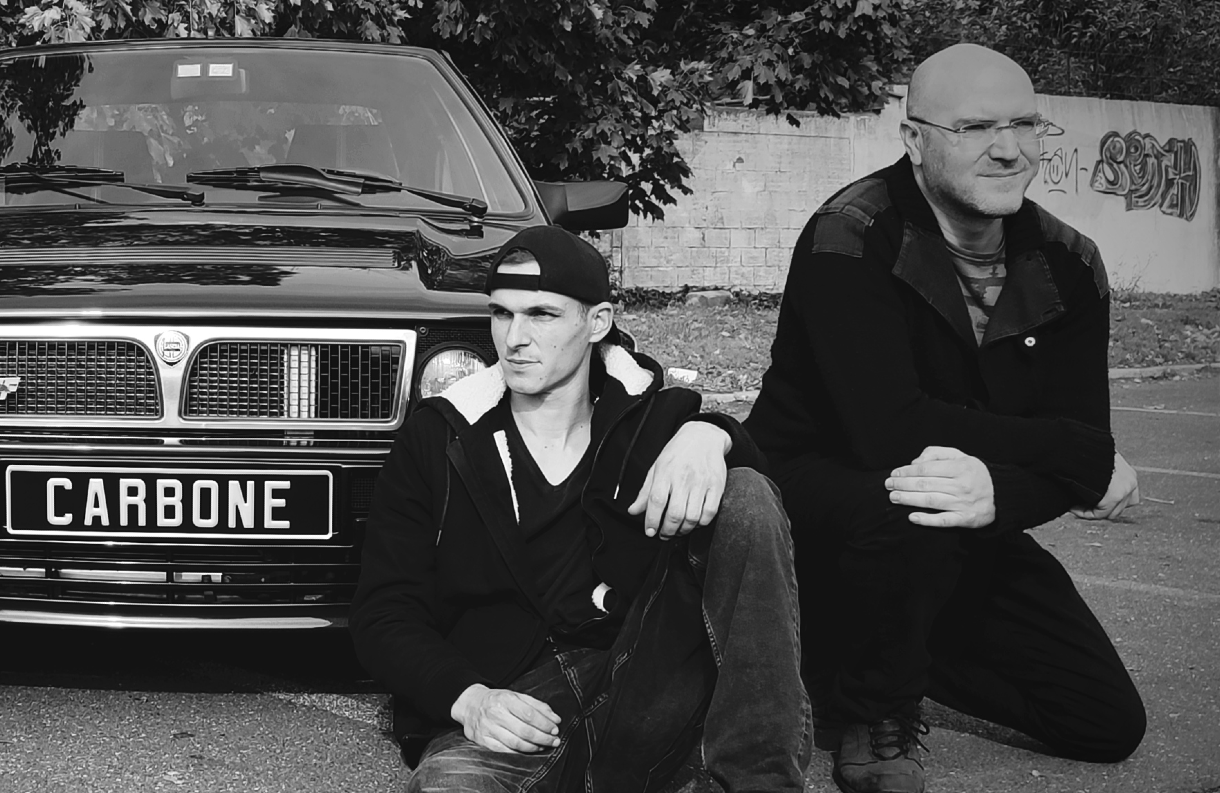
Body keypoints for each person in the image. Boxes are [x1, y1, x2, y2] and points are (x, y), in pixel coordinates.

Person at [749, 43, 1147, 793]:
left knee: (1103, 721)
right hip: (819, 497)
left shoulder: (1070, 263)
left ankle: (858, 660)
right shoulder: (851, 234)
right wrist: (1073, 454)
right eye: (973, 128)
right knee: (919, 498)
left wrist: (1010, 490)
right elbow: (886, 428)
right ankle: (874, 709)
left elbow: (1076, 451)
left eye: (1024, 125)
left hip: (959, 511)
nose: (1007, 149)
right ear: (915, 139)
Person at [354, 226, 810, 793]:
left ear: (596, 322)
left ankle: (761, 781)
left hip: (647, 680)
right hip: (517, 700)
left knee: (745, 493)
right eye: (501, 314)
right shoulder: (440, 434)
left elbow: (765, 534)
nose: (514, 338)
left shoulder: (654, 419)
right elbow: (382, 610)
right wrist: (468, 699)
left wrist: (714, 435)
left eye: (541, 315)